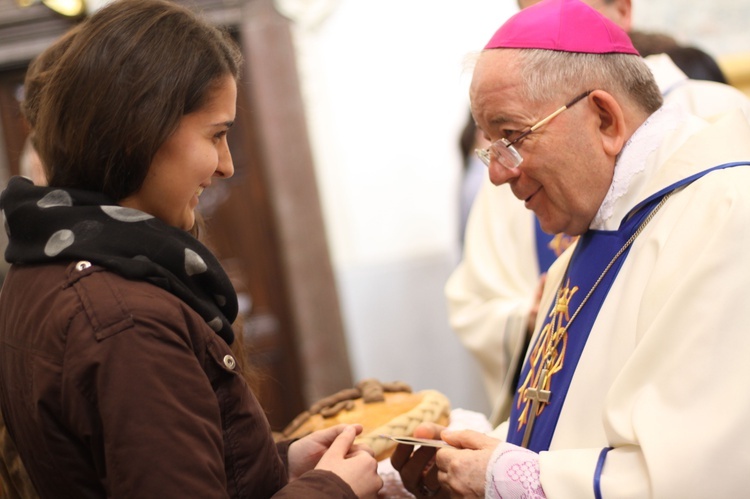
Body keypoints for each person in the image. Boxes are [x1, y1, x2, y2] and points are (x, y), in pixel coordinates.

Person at [0, 0, 383, 497]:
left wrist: (281, 462)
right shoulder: (124, 320)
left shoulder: (42, 262)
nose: (225, 165)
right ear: (142, 130)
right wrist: (332, 489)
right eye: (217, 135)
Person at [394, 0, 750, 496]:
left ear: (605, 119)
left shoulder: (727, 214)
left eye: (512, 136)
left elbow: (701, 474)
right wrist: (476, 457)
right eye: (490, 146)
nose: (496, 174)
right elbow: (572, 430)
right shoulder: (587, 243)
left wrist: (502, 478)